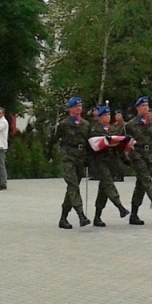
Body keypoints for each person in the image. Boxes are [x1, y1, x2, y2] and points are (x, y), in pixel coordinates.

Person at [124, 97, 152, 223]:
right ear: (137, 108)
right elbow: (128, 144)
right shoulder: (131, 124)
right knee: (146, 180)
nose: (145, 107)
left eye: (147, 105)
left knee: (141, 186)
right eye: (143, 105)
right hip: (137, 155)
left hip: (149, 156)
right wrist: (131, 157)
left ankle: (134, 214)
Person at [49, 97, 92, 229]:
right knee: (73, 184)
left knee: (72, 188)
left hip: (80, 158)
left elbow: (89, 142)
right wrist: (49, 154)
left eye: (80, 105)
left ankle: (63, 218)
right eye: (75, 106)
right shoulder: (64, 124)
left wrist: (88, 159)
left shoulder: (86, 124)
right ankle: (81, 215)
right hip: (68, 156)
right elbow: (52, 140)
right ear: (70, 109)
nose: (78, 108)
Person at [88, 106, 130, 227]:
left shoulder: (113, 129)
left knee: (104, 190)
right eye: (105, 115)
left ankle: (97, 216)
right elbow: (93, 144)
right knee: (108, 183)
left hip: (111, 161)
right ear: (100, 117)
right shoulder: (95, 129)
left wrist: (125, 158)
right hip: (100, 160)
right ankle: (120, 207)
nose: (108, 117)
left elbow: (119, 145)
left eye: (109, 115)